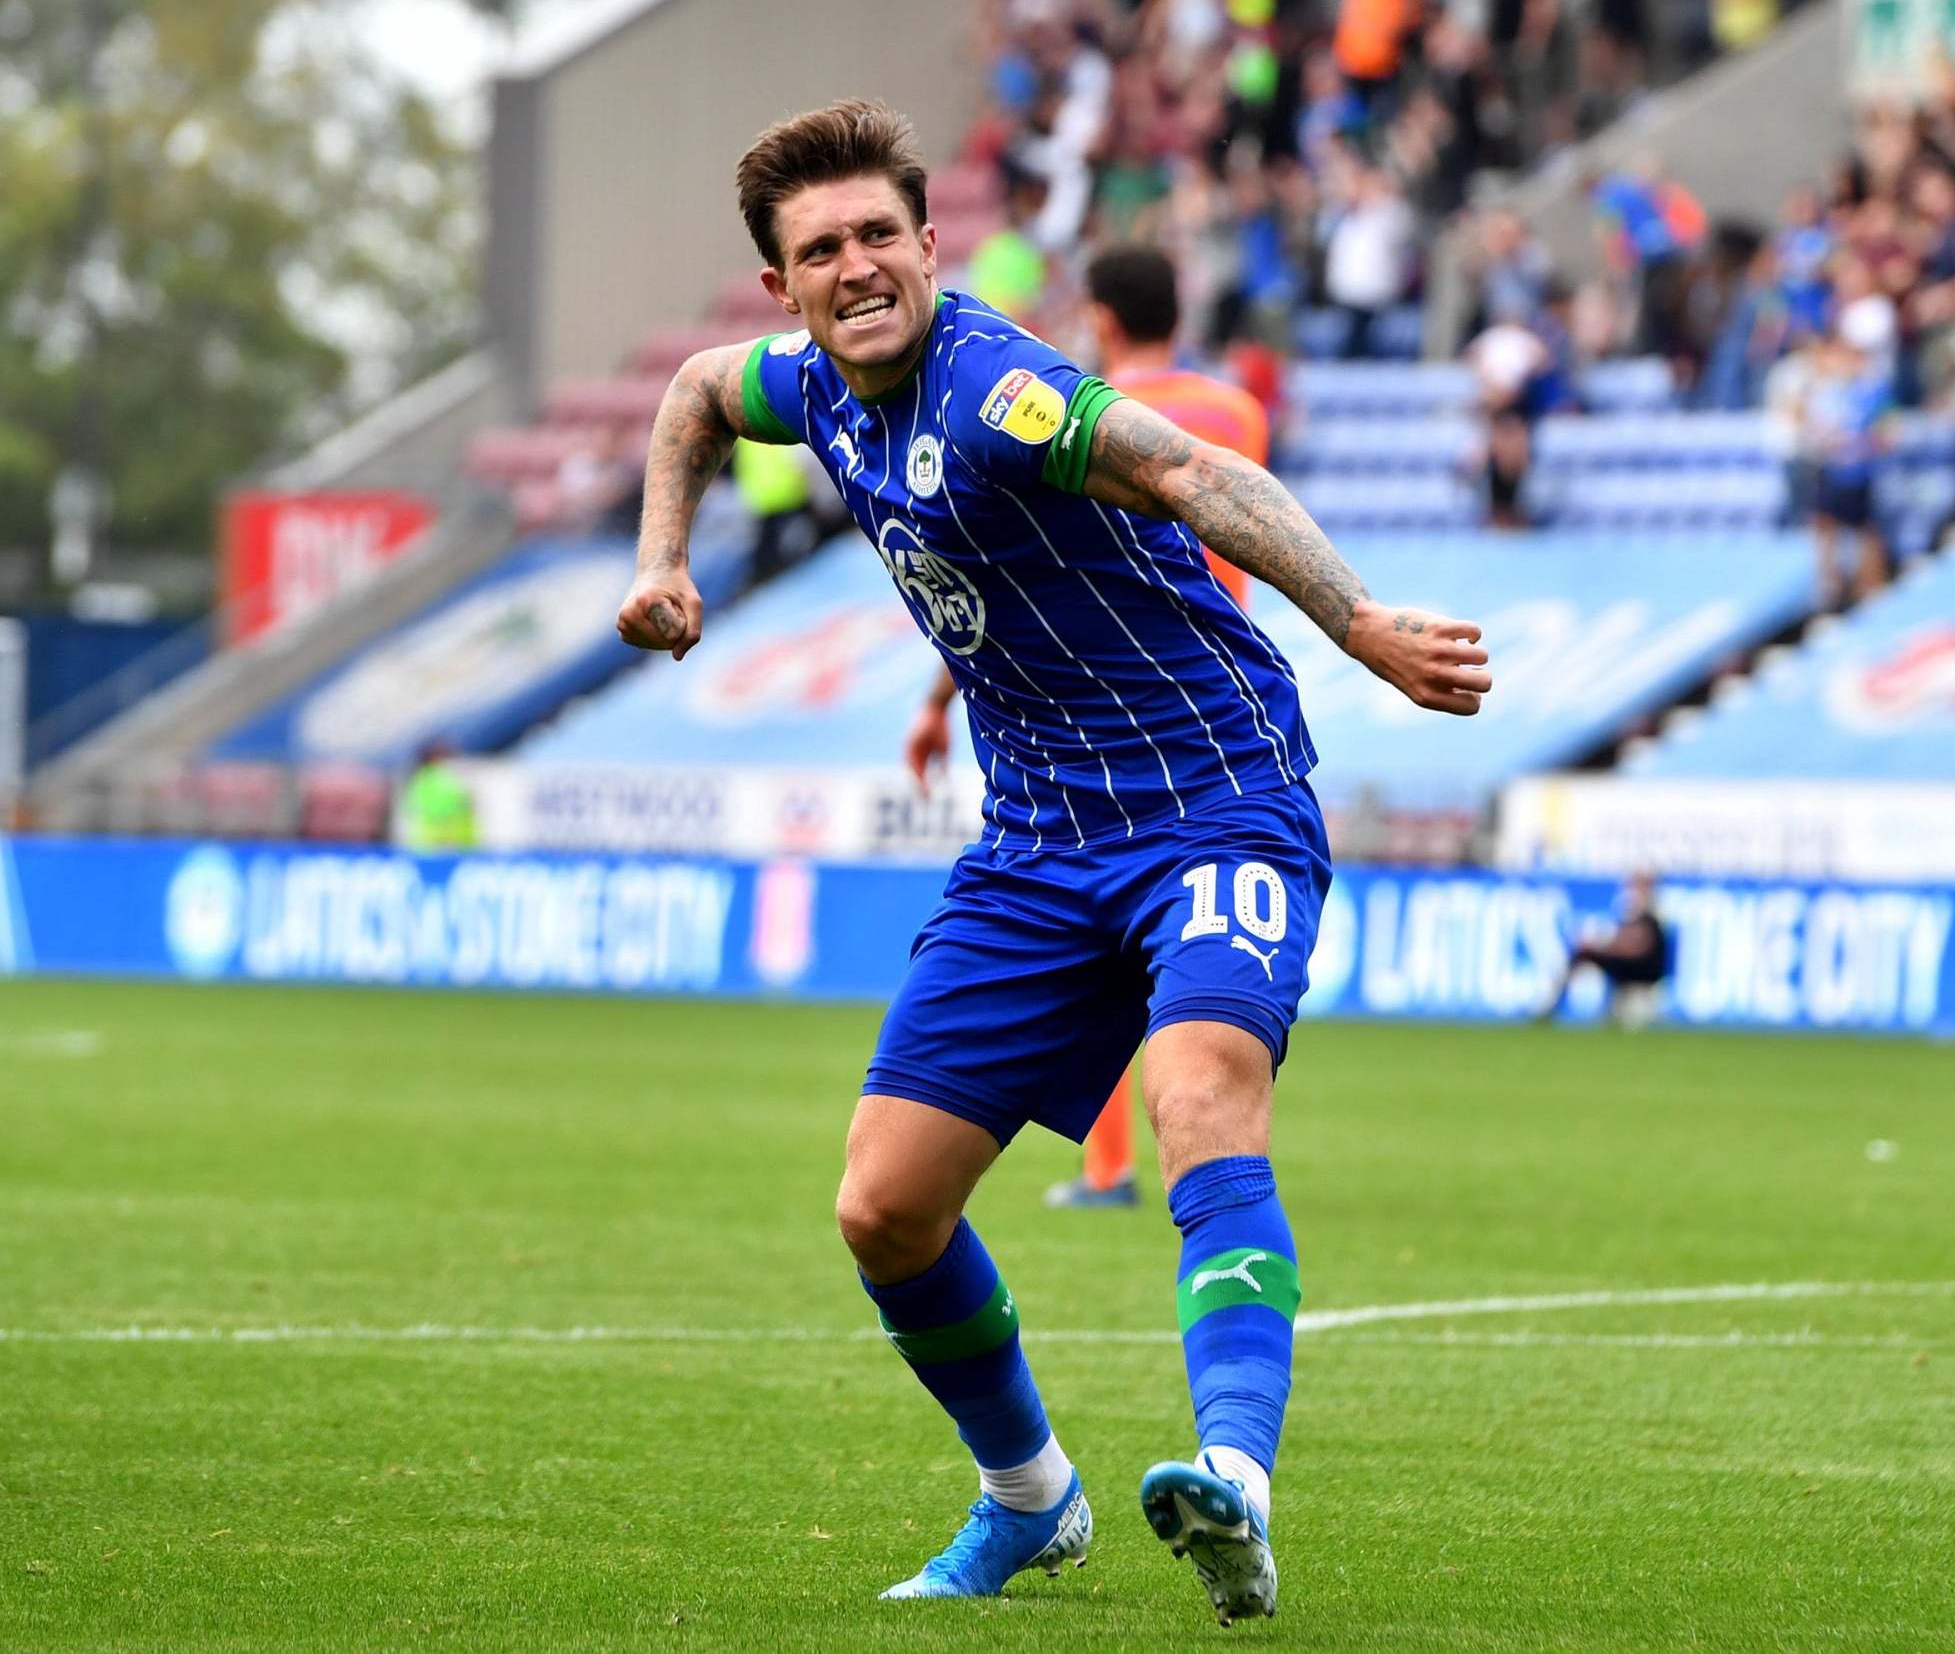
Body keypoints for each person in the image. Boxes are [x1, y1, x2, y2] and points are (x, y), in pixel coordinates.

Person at [614, 101, 1490, 1625]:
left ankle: (1238, 1483)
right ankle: (1031, 1496)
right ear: (786, 289)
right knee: (882, 1206)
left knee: (1198, 1092)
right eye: (821, 248)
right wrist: (660, 559)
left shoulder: (1001, 390)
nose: (857, 264)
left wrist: (1361, 627)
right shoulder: (801, 387)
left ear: (929, 244)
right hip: (1035, 842)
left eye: (880, 233)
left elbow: (1197, 475)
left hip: (1215, 801)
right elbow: (691, 391)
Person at [905, 242, 1273, 1213]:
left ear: (1100, 317)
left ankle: (1108, 1167)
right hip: (1218, 714)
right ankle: (1207, 1143)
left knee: (1096, 956)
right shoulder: (1235, 412)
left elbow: (1020, 588)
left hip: (1097, 721)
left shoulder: (1069, 411)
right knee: (1199, 977)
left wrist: (935, 703)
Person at [1537, 872, 1669, 1020]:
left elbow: (1637, 948)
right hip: (1628, 966)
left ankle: (1551, 1007)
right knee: (1583, 954)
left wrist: (1602, 949)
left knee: (1585, 954)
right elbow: (1622, 941)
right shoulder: (1631, 910)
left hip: (1644, 971)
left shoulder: (1652, 914)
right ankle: (1552, 1005)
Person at [392, 741, 478, 853]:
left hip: (439, 845)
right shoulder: (432, 780)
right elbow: (442, 810)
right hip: (441, 844)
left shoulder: (420, 780)